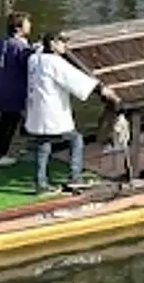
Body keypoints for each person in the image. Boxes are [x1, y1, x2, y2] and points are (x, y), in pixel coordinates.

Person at [21, 31, 104, 193]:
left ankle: (41, 183)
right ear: (52, 44)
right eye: (62, 42)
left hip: (37, 114)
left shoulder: (33, 60)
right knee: (76, 139)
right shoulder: (55, 63)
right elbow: (75, 80)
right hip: (52, 115)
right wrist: (100, 88)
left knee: (43, 145)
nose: (65, 46)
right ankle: (75, 176)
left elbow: (38, 50)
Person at [0, 10, 33, 162]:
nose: (30, 26)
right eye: (27, 23)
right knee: (10, 121)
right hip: (15, 88)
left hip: (1, 84)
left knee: (4, 119)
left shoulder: (1, 41)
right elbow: (28, 66)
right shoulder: (20, 47)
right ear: (19, 28)